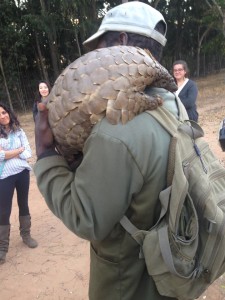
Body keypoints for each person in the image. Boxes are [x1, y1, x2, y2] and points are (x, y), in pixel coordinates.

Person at [34, 2, 188, 300]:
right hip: (172, 267)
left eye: (100, 47)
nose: (94, 58)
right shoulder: (172, 103)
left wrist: (46, 156)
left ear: (122, 43)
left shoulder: (116, 128)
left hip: (128, 283)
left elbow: (86, 218)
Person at [0, 102, 38, 264]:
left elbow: (28, 152)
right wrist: (18, 151)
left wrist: (9, 154)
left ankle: (26, 235)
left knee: (24, 204)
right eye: (0, 114)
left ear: (9, 112)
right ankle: (2, 247)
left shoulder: (19, 130)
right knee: (3, 211)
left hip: (22, 173)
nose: (3, 116)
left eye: (4, 112)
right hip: (4, 177)